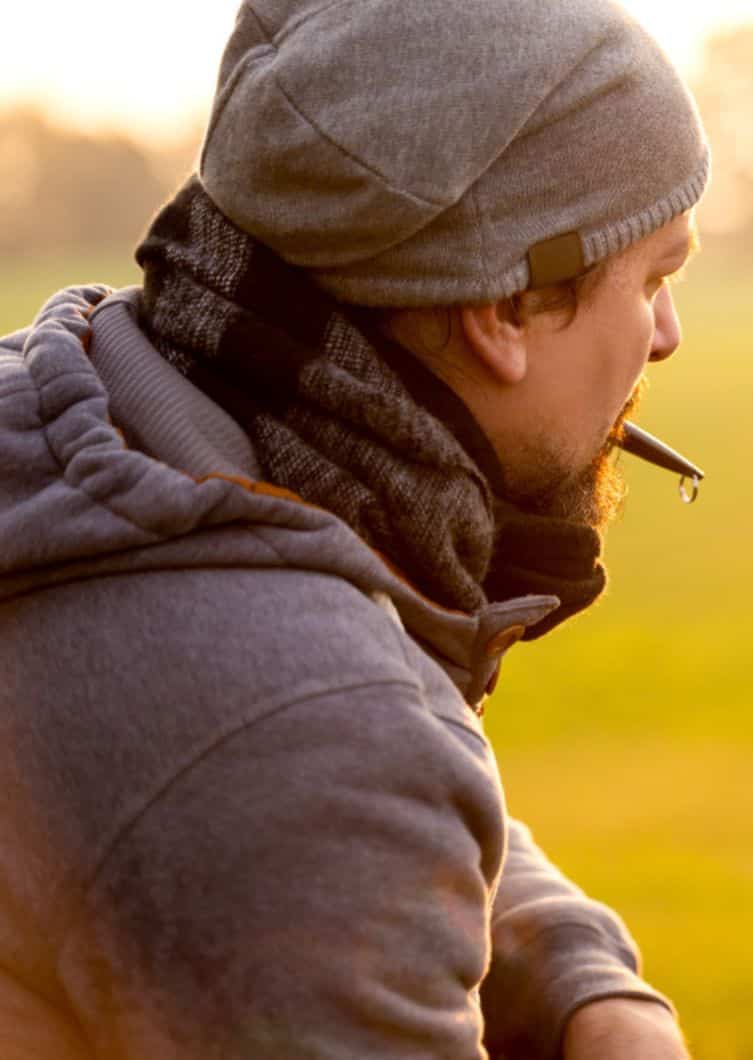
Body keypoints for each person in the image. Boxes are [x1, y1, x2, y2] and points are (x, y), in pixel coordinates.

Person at [0, 0, 709, 1057]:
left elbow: (259, 776)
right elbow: (299, 755)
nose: (667, 335)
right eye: (653, 276)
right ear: (503, 310)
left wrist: (572, 969)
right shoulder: (301, 716)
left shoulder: (86, 421)